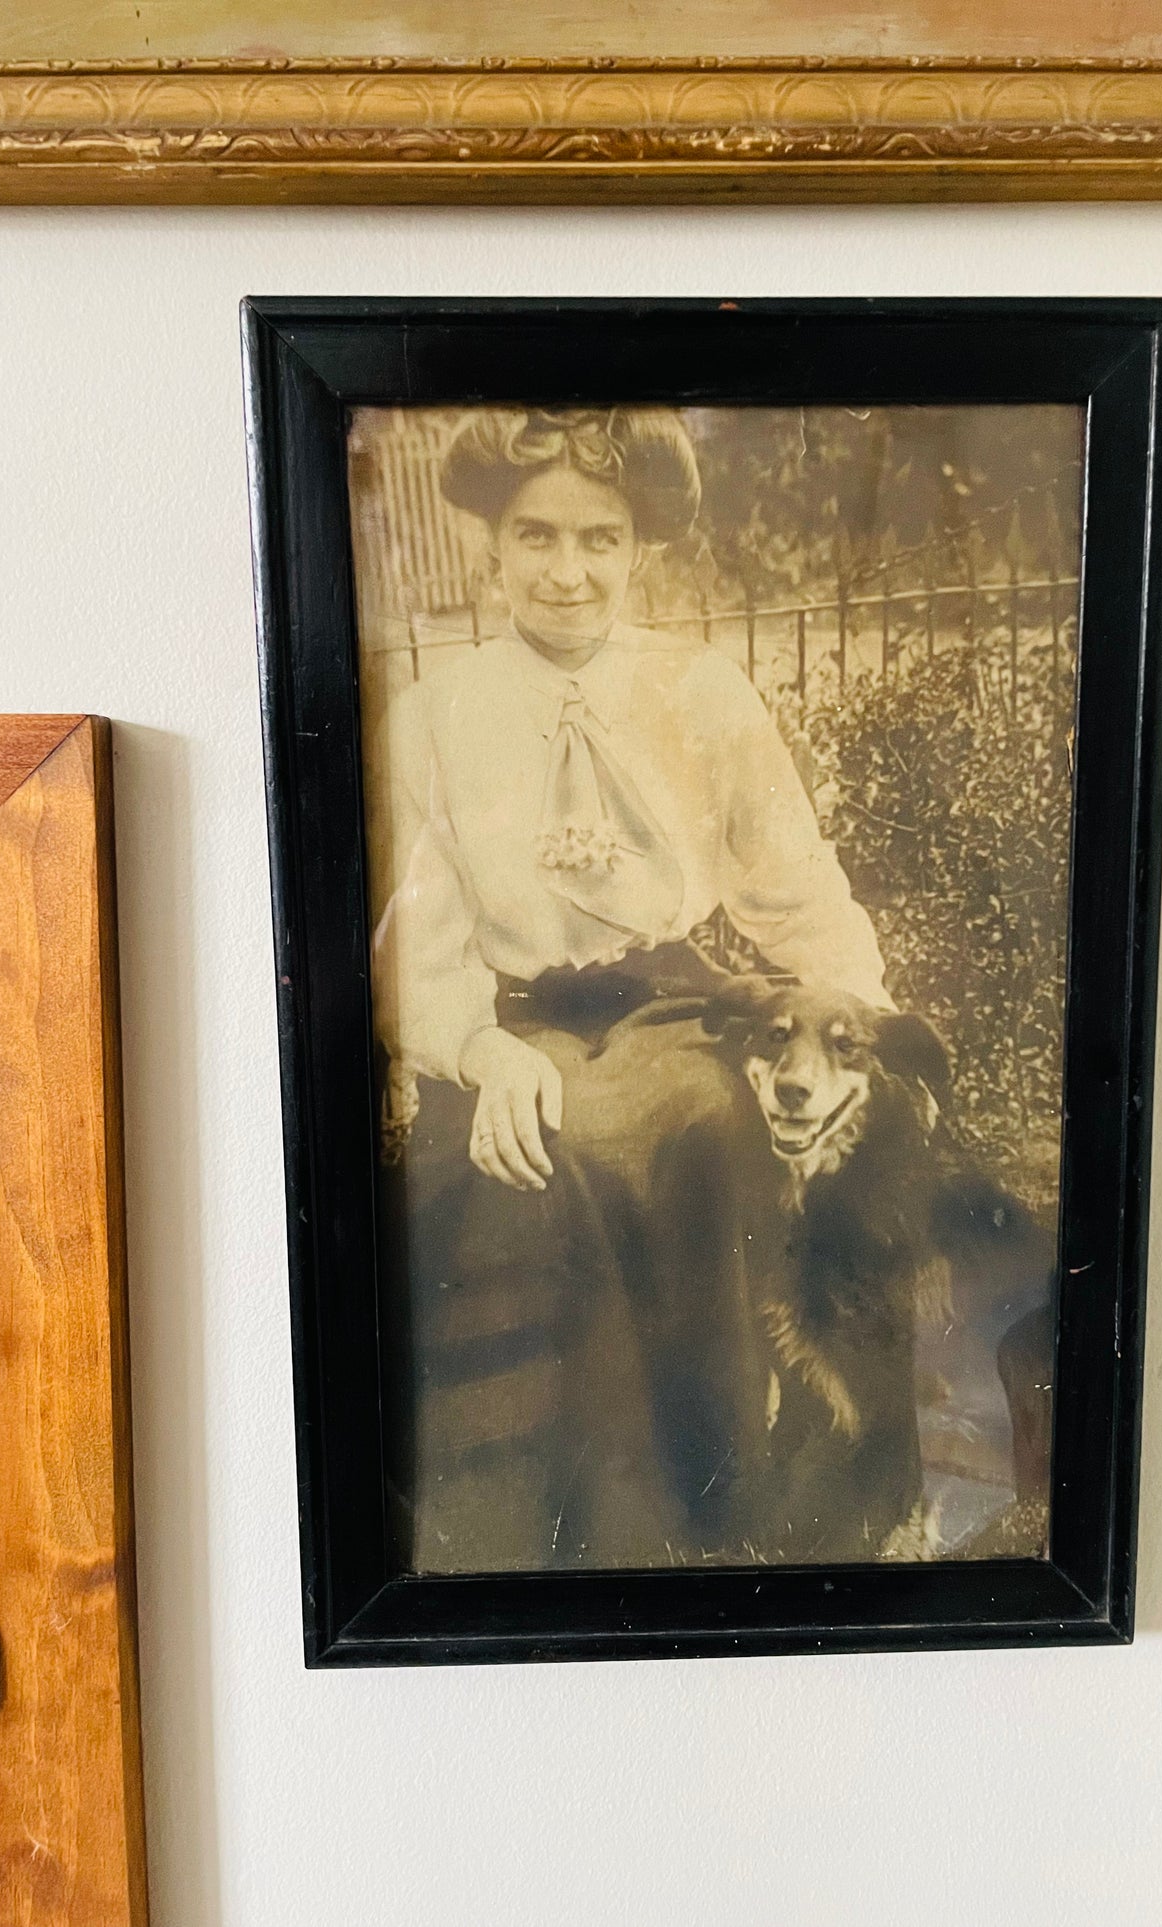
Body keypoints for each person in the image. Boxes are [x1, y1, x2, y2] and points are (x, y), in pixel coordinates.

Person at [370, 406, 892, 1573]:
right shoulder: (433, 719)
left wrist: (869, 1020)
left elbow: (789, 883)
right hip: (519, 1023)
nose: (568, 572)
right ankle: (596, 1526)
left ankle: (723, 1498)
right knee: (543, 1153)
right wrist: (475, 1050)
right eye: (536, 537)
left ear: (636, 547)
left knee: (707, 1119)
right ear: (488, 549)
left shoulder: (700, 690)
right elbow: (419, 942)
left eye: (598, 538)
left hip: (669, 1001)